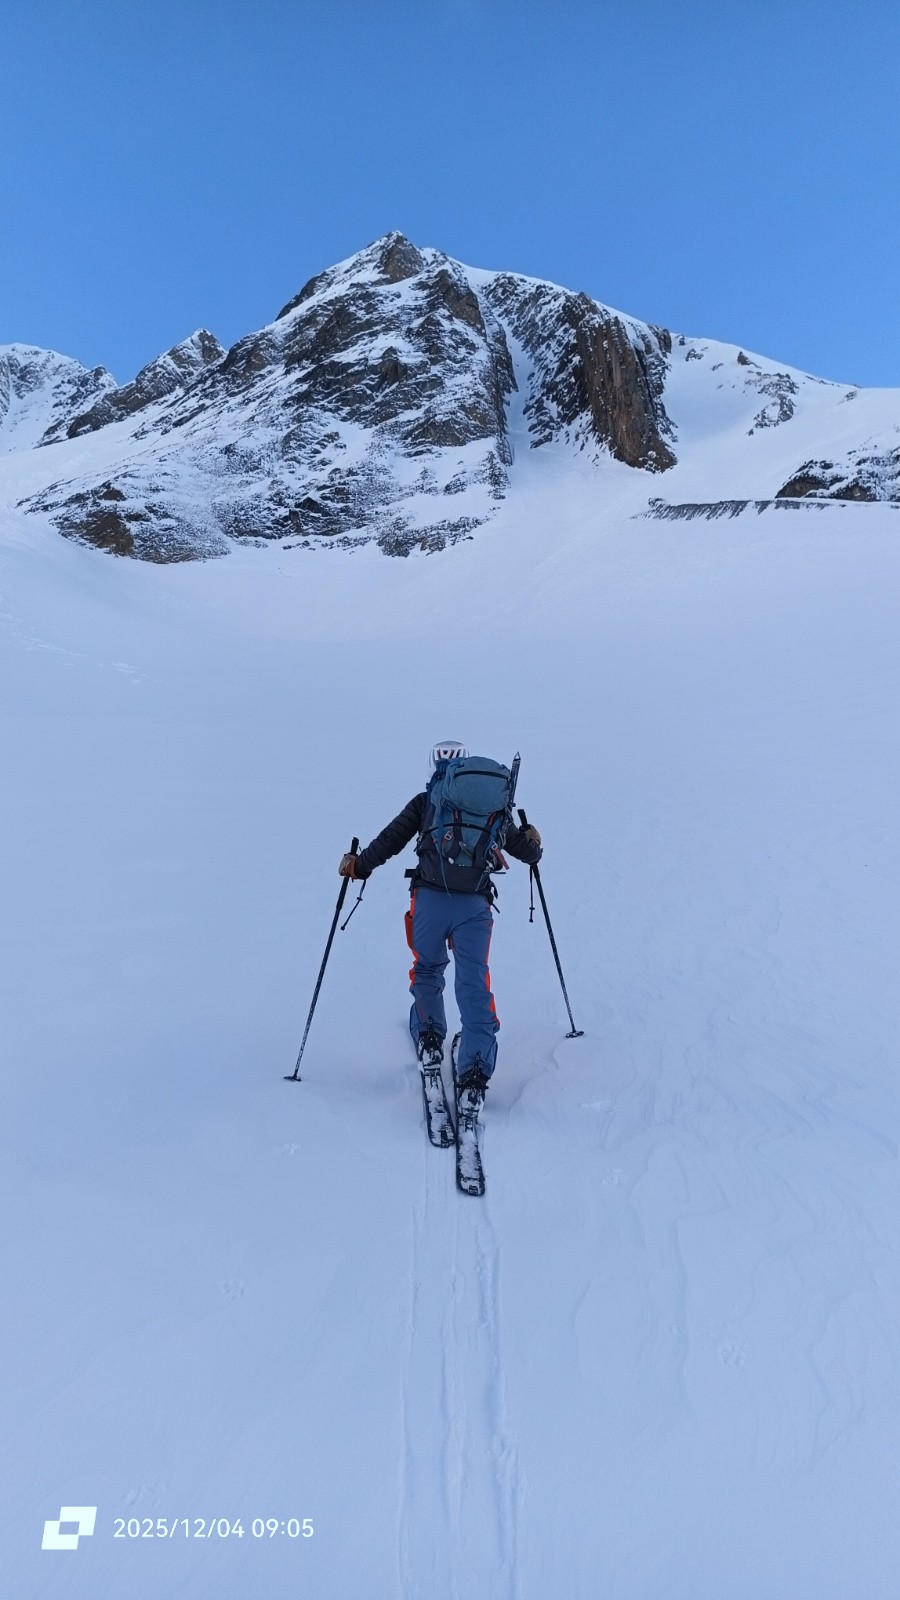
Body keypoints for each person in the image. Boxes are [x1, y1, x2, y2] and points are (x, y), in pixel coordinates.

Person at [338, 741, 542, 1121]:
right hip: (474, 908)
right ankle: (476, 1071)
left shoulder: (425, 802)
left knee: (428, 968)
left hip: (429, 901)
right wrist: (532, 840)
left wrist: (358, 866)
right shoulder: (491, 806)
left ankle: (430, 1038)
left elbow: (389, 840)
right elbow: (528, 853)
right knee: (474, 983)